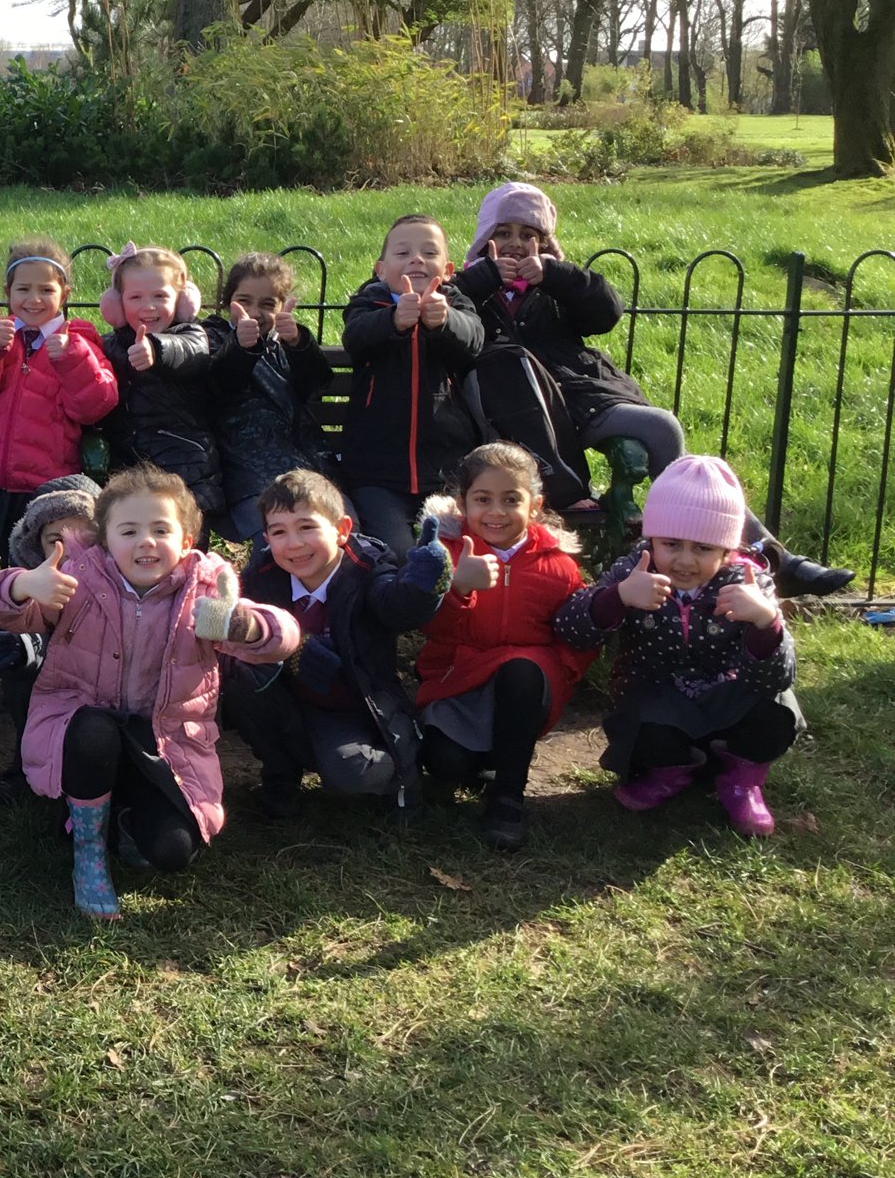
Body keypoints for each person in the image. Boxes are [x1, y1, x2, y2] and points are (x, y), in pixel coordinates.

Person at [455, 180, 852, 596]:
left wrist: (556, 275)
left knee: (662, 427)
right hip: (518, 418)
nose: (516, 245)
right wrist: (483, 280)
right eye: (504, 233)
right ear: (485, 239)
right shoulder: (469, 287)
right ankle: (700, 557)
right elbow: (453, 333)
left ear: (546, 242)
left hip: (583, 401)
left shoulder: (556, 285)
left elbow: (605, 313)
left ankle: (760, 554)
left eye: (529, 235)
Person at [0, 463, 298, 919]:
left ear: (186, 540)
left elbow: (283, 634)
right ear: (106, 541)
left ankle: (125, 820)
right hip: (87, 733)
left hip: (165, 742)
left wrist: (242, 625)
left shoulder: (206, 589)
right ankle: (88, 848)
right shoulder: (77, 579)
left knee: (172, 853)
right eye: (129, 530)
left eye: (161, 529)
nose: (146, 541)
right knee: (92, 729)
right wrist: (24, 584)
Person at [555, 454, 800, 836]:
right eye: (671, 543)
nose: (684, 561)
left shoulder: (749, 581)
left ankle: (741, 780)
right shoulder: (635, 569)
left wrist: (764, 622)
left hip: (728, 697)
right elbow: (571, 629)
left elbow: (779, 676)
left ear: (727, 548)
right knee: (644, 729)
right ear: (651, 537)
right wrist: (618, 596)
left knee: (776, 711)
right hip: (659, 699)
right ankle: (670, 772)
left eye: (703, 548)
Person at [226, 469, 455, 820]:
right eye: (279, 532)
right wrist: (294, 649)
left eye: (307, 527)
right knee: (240, 675)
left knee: (350, 769)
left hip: (356, 706)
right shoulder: (262, 575)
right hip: (288, 700)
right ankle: (280, 772)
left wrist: (424, 587)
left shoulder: (367, 569)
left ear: (343, 529)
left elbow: (397, 607)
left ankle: (402, 765)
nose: (294, 543)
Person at [413, 443, 597, 849]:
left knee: (522, 668)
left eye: (511, 499)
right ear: (463, 503)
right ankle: (483, 765)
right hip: (460, 680)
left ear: (535, 506)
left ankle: (509, 797)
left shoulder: (558, 563)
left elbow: (577, 632)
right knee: (445, 764)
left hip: (525, 685)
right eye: (483, 499)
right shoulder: (443, 553)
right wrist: (457, 586)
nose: (496, 512)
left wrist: (561, 674)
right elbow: (424, 624)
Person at [0, 237, 118, 568]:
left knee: (29, 564)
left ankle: (23, 619)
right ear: (8, 292)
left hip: (43, 481)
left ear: (64, 294)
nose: (34, 299)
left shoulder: (81, 342)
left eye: (46, 290)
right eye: (23, 289)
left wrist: (71, 359)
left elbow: (95, 405)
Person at [338, 214, 486, 556]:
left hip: (446, 468)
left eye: (429, 253)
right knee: (400, 555)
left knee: (452, 553)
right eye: (402, 253)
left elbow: (474, 340)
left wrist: (445, 321)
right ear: (380, 269)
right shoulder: (368, 304)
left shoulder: (456, 303)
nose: (417, 259)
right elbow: (356, 338)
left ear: (447, 270)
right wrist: (393, 320)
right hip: (377, 473)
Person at [0, 476, 101, 801]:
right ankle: (25, 764)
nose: (71, 551)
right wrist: (22, 587)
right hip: (54, 683)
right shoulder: (35, 586)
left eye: (84, 538)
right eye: (55, 540)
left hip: (108, 689)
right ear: (35, 548)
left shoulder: (123, 583)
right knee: (21, 660)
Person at [97, 245, 234, 538]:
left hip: (185, 467)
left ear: (182, 300)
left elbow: (190, 352)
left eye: (160, 296)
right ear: (117, 304)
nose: (148, 306)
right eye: (135, 297)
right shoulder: (110, 345)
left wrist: (156, 350)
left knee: (184, 543)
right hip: (128, 465)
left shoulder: (192, 334)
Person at [210, 253, 336, 543]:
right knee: (273, 542)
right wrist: (241, 348)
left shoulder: (283, 344)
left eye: (268, 304)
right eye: (244, 301)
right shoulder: (214, 338)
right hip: (248, 475)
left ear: (282, 306)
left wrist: (299, 344)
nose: (254, 312)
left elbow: (316, 386)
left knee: (344, 530)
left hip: (307, 468)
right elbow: (221, 383)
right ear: (227, 301)